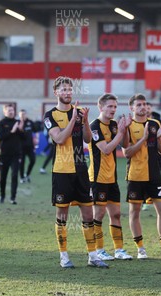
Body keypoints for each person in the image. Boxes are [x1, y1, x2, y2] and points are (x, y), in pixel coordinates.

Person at [44, 76, 108, 268]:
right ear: (56, 92)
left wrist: (85, 121)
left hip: (81, 170)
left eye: (69, 90)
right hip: (62, 170)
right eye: (63, 90)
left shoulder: (79, 112)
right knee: (62, 215)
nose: (67, 93)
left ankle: (93, 255)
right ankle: (64, 256)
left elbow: (88, 139)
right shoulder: (50, 115)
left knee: (88, 215)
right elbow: (60, 139)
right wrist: (73, 120)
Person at [122, 93, 161, 261]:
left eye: (144, 104)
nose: (143, 107)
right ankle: (140, 249)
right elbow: (127, 152)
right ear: (132, 108)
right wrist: (143, 138)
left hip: (154, 175)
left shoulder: (154, 124)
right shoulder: (128, 125)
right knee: (134, 212)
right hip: (135, 175)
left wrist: (158, 138)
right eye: (139, 105)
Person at [88, 93, 133, 261]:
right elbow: (106, 149)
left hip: (111, 178)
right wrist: (121, 133)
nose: (113, 109)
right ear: (101, 107)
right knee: (98, 215)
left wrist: (125, 129)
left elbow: (125, 145)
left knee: (115, 214)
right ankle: (98, 250)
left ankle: (119, 250)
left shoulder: (115, 125)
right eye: (110, 106)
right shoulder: (94, 126)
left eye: (115, 106)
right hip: (97, 178)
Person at [0, 104, 23, 204]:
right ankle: (2, 195)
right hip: (4, 154)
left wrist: (21, 130)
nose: (11, 112)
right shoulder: (2, 123)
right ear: (5, 112)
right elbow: (1, 137)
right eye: (9, 110)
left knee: (14, 175)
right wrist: (12, 131)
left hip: (16, 155)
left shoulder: (18, 122)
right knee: (3, 177)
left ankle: (13, 198)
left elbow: (24, 138)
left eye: (12, 110)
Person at [19, 109, 37, 183]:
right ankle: (22, 177)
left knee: (33, 160)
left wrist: (36, 139)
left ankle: (28, 174)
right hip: (21, 147)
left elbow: (35, 131)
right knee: (21, 162)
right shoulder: (18, 123)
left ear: (26, 114)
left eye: (24, 114)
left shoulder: (30, 122)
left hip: (30, 146)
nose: (23, 115)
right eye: (21, 114)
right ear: (19, 115)